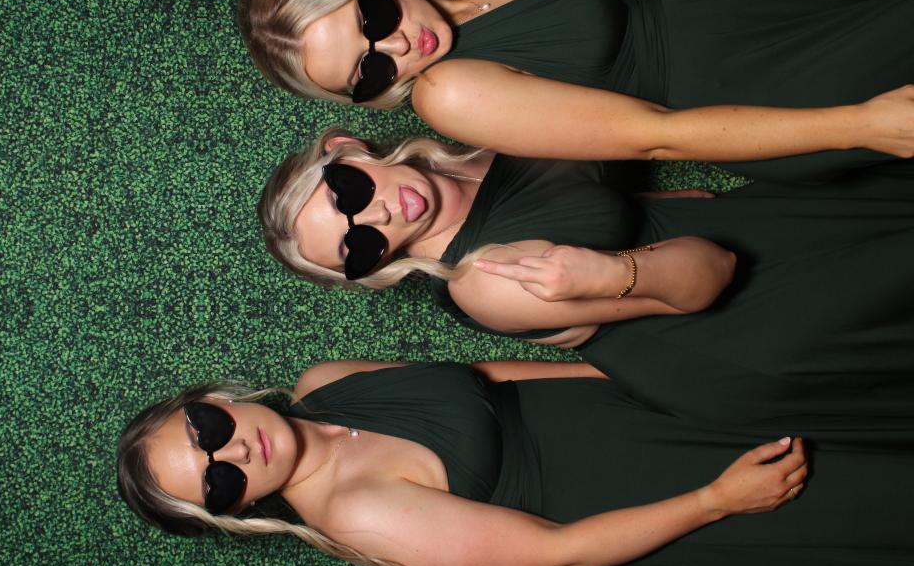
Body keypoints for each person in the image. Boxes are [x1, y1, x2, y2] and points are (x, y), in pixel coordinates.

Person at [258, 128, 914, 428]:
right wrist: (612, 269)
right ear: (374, 268)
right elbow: (709, 276)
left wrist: (651, 206)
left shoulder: (467, 140)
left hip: (751, 227)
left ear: (347, 149)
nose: (376, 215)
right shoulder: (484, 280)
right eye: (358, 245)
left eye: (348, 193)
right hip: (742, 328)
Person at [240, 0, 914, 183]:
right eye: (369, 71)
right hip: (763, 85)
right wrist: (856, 125)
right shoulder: (450, 94)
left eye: (373, 15)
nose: (396, 44)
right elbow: (659, 138)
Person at [118, 360, 914, 566]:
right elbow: (560, 554)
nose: (235, 450)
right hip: (654, 496)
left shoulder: (326, 381)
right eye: (217, 480)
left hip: (637, 405)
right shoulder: (358, 515)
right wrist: (717, 499)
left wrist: (628, 368)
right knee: (875, 497)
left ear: (212, 398)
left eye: (206, 429)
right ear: (237, 508)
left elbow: (490, 377)